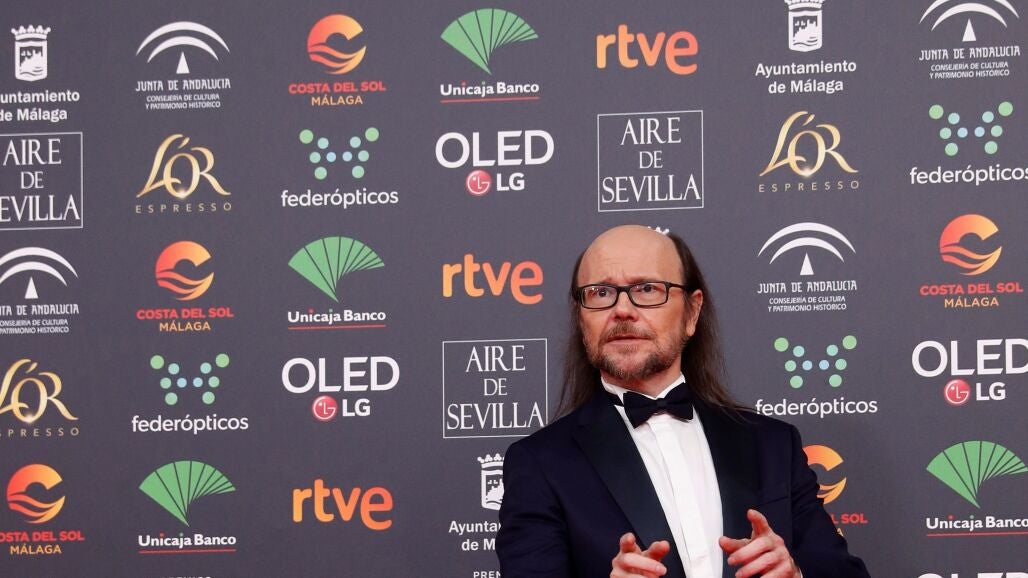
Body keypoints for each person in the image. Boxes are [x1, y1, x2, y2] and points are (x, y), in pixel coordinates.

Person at [496, 225, 870, 578]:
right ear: (581, 322)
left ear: (692, 313)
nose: (622, 309)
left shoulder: (773, 445)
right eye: (600, 293)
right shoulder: (540, 464)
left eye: (647, 289)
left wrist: (794, 573)